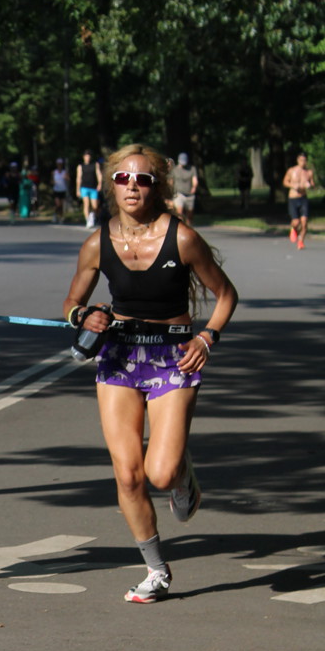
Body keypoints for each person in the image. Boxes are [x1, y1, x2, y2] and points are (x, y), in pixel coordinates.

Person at [62, 144, 237, 604]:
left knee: (160, 473)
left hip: (173, 358)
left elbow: (226, 295)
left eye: (143, 179)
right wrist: (84, 316)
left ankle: (182, 475)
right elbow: (71, 303)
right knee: (127, 476)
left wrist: (207, 338)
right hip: (119, 358)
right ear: (111, 185)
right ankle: (156, 569)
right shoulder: (97, 243)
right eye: (123, 178)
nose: (132, 186)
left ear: (157, 187)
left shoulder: (182, 239)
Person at [282, 151, 315, 249]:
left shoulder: (309, 172)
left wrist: (310, 185)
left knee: (304, 222)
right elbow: (285, 182)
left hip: (303, 198)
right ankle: (294, 228)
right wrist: (293, 185)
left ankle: (301, 241)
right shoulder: (292, 170)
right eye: (301, 160)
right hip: (293, 198)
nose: (302, 162)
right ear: (297, 160)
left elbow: (312, 184)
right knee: (296, 222)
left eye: (304, 160)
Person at [76, 150, 102, 228]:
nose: (87, 158)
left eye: (89, 156)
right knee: (86, 204)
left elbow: (98, 174)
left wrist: (100, 183)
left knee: (95, 206)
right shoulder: (80, 166)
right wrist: (77, 189)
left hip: (93, 187)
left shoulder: (95, 164)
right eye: (86, 156)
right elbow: (78, 178)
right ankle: (88, 220)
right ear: (83, 157)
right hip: (84, 187)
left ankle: (92, 216)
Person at [171, 151, 199, 223]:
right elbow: (171, 182)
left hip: (189, 194)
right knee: (179, 213)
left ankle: (188, 226)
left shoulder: (192, 169)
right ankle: (180, 226)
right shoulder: (175, 170)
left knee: (190, 215)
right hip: (179, 193)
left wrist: (194, 187)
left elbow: (195, 180)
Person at [51, 158, 69, 223]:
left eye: (60, 164)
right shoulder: (54, 172)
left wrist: (66, 178)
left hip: (63, 190)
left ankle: (61, 217)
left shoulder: (64, 172)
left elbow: (68, 179)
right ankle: (55, 214)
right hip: (56, 190)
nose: (59, 165)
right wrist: (53, 182)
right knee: (57, 204)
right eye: (58, 164)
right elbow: (51, 181)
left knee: (61, 205)